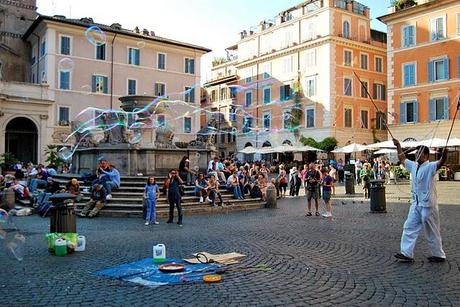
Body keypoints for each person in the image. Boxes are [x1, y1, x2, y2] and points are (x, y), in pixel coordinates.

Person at [393, 140, 448, 263]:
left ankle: (439, 254)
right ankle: (406, 253)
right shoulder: (413, 165)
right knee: (408, 226)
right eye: (416, 153)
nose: (417, 155)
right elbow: (402, 158)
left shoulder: (430, 166)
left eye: (419, 154)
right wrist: (398, 146)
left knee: (432, 230)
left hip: (428, 205)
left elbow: (441, 163)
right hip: (416, 204)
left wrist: (444, 155)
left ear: (426, 156)